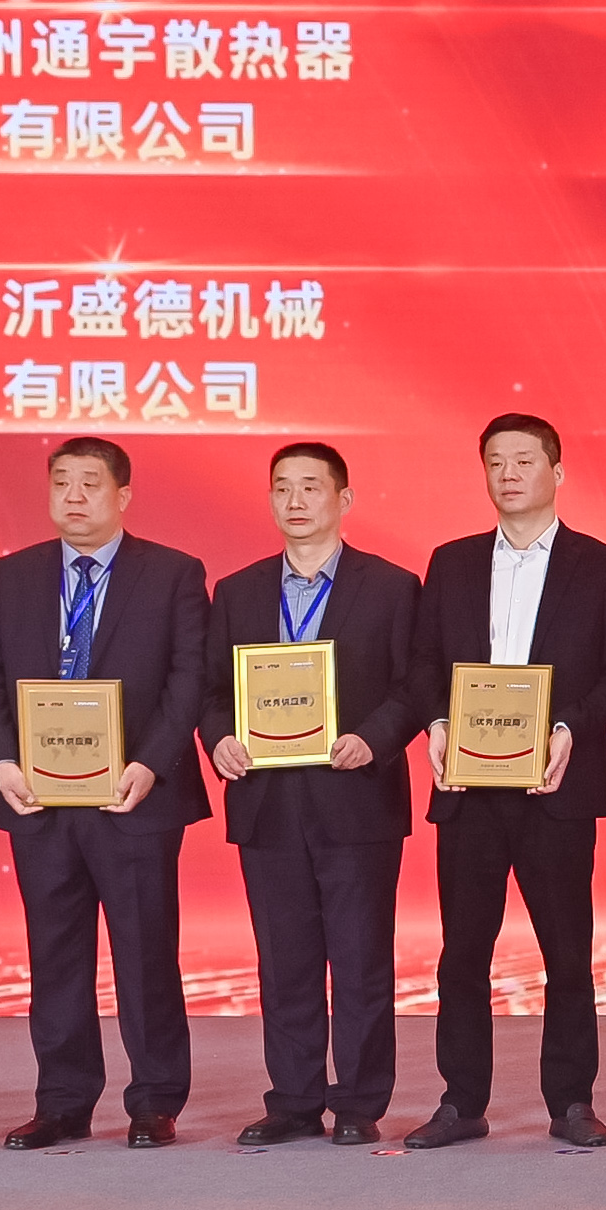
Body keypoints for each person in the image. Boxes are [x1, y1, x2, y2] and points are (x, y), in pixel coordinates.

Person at [0, 436, 211, 1148]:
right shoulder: (13, 573)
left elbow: (188, 677)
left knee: (145, 953)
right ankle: (63, 1100)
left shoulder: (171, 572)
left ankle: (155, 1100)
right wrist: (1, 763)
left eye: (90, 483)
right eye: (61, 482)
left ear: (123, 495)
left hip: (132, 795)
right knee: (55, 957)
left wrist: (151, 763)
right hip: (38, 798)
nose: (73, 496)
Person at [405, 415, 606, 1149]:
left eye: (525, 460)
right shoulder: (451, 562)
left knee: (566, 953)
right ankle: (460, 1101)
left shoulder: (601, 564)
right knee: (462, 956)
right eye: (496, 462)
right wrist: (436, 721)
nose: (509, 474)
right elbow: (423, 663)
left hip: (555, 786)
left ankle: (571, 1102)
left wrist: (569, 727)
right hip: (469, 790)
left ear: (557, 472)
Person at [204, 442, 424, 1147]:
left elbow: (415, 686)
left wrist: (373, 738)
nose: (294, 501)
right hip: (267, 803)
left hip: (356, 797)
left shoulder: (391, 586)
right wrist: (219, 739)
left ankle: (359, 1100)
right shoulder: (236, 591)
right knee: (285, 961)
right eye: (281, 488)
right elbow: (209, 690)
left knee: (360, 960)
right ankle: (294, 1100)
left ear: (343, 499)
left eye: (310, 487)